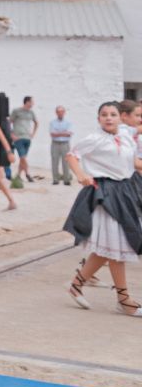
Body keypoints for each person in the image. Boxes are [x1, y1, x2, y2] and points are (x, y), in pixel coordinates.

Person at [64, 102, 142, 318]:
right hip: (105, 194)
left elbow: (132, 162)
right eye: (104, 114)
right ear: (98, 119)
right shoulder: (94, 139)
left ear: (119, 118)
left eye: (113, 114)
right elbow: (72, 155)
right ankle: (124, 300)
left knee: (108, 247)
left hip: (124, 192)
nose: (108, 118)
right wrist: (81, 175)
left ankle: (76, 285)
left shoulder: (125, 136)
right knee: (116, 247)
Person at [10, 96, 39, 182]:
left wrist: (33, 134)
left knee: (23, 158)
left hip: (27, 138)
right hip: (18, 138)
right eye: (32, 102)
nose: (33, 104)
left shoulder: (31, 112)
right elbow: (8, 123)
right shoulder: (16, 111)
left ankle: (18, 176)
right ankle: (27, 174)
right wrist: (12, 134)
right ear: (27, 102)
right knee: (23, 157)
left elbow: (36, 123)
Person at [50, 105, 74, 185]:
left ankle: (66, 180)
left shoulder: (68, 122)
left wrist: (58, 133)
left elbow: (69, 133)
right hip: (55, 144)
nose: (60, 113)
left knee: (66, 162)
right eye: (58, 112)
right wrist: (64, 132)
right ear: (56, 113)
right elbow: (52, 134)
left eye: (62, 111)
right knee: (54, 161)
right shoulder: (52, 122)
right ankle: (55, 179)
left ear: (64, 112)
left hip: (65, 144)